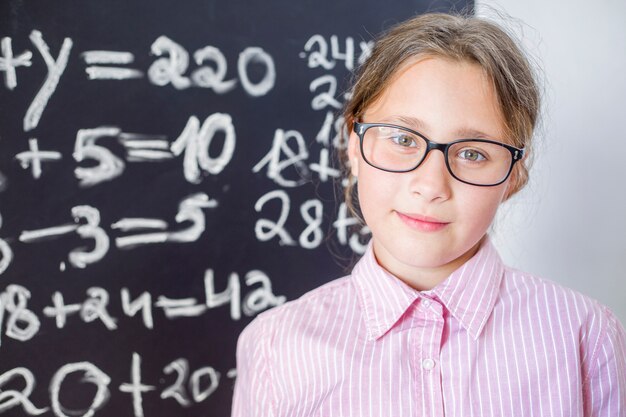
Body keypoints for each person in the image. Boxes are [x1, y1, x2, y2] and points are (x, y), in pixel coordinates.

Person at [232, 12, 626, 417]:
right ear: (354, 145)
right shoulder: (275, 346)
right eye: (403, 139)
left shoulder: (583, 335)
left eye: (473, 153)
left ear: (513, 177)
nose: (432, 185)